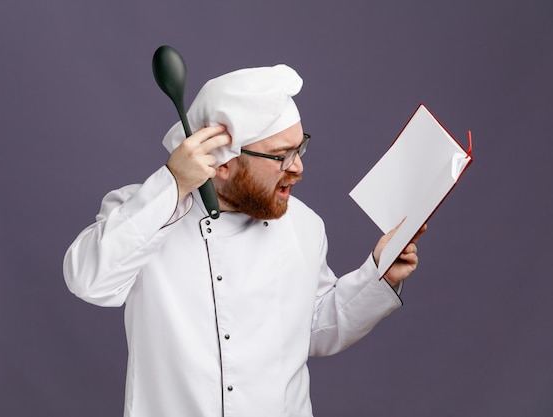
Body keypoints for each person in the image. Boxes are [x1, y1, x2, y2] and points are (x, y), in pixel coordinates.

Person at [63, 64, 425, 417]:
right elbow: (90, 282)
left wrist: (380, 274)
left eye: (300, 149)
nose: (298, 167)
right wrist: (172, 185)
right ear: (222, 162)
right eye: (281, 155)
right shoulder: (143, 211)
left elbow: (315, 329)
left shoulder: (305, 224)